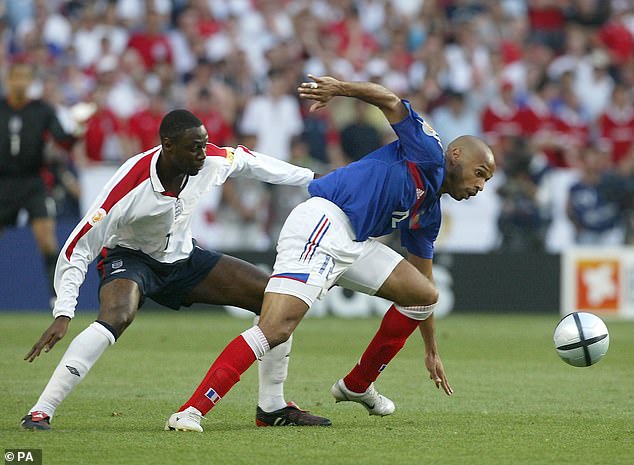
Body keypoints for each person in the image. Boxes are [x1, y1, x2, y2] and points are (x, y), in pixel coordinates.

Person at [166, 75, 495, 430]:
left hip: (354, 243)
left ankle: (355, 385)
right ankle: (191, 410)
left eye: (486, 181)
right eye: (479, 174)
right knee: (275, 326)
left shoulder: (428, 212)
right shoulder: (429, 152)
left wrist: (431, 349)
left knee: (423, 294)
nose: (479, 186)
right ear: (456, 155)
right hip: (323, 223)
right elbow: (389, 100)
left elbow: (424, 280)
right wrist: (341, 89)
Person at [20, 109, 331, 431]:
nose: (202, 153)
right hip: (131, 257)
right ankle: (41, 411)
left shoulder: (210, 160)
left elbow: (249, 161)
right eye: (194, 147)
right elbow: (78, 246)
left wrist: (312, 178)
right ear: (167, 145)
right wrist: (64, 310)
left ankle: (272, 408)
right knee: (117, 315)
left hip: (184, 259)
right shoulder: (130, 186)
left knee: (274, 298)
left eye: (204, 144)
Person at [0, 61, 77, 307]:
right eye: (16, 77)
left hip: (33, 181)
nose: (20, 82)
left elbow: (63, 141)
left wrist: (78, 129)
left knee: (46, 240)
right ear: (8, 81)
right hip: (3, 183)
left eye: (24, 77)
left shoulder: (42, 110)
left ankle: (57, 297)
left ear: (30, 82)